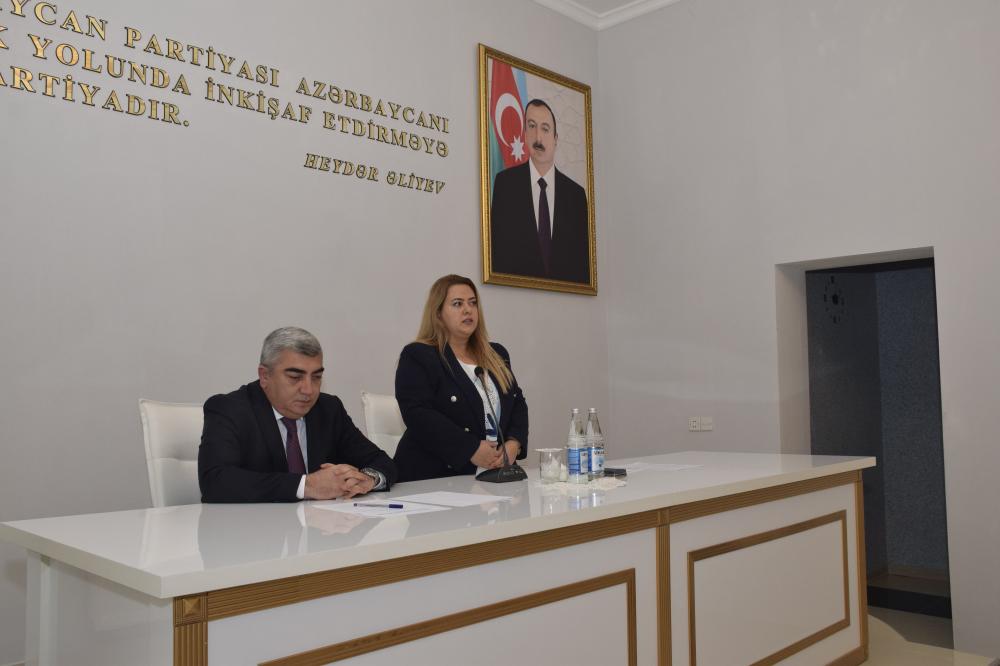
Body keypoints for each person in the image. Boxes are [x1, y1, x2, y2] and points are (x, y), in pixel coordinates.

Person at [199, 327, 397, 502]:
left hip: (322, 528)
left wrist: (368, 479)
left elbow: (381, 461)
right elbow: (215, 481)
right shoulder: (229, 409)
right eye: (295, 377)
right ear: (265, 376)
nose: (309, 390)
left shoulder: (328, 409)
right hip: (254, 529)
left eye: (317, 377)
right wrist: (306, 485)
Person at [394, 275, 528, 482]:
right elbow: (417, 414)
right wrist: (470, 449)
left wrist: (513, 444)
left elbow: (517, 403)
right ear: (438, 313)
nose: (468, 310)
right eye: (457, 304)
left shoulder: (496, 354)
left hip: (495, 476)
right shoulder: (419, 355)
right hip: (434, 479)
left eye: (472, 303)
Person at [490, 98, 590, 284]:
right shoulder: (505, 185)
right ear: (524, 134)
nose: (538, 138)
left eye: (545, 129)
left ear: (555, 139)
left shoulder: (576, 196)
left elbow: (582, 265)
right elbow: (497, 254)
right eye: (532, 126)